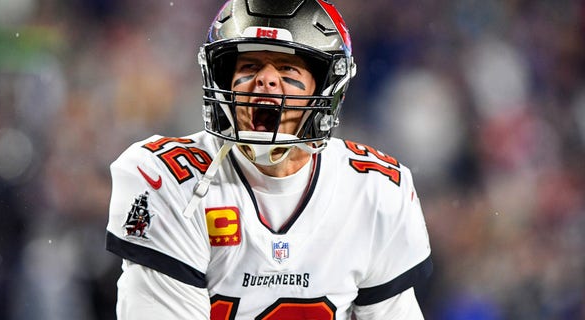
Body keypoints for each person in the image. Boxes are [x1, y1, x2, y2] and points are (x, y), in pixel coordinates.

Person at [105, 0, 433, 318]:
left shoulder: (376, 190)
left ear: (326, 87)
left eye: (287, 67)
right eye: (249, 66)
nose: (265, 80)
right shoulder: (166, 178)